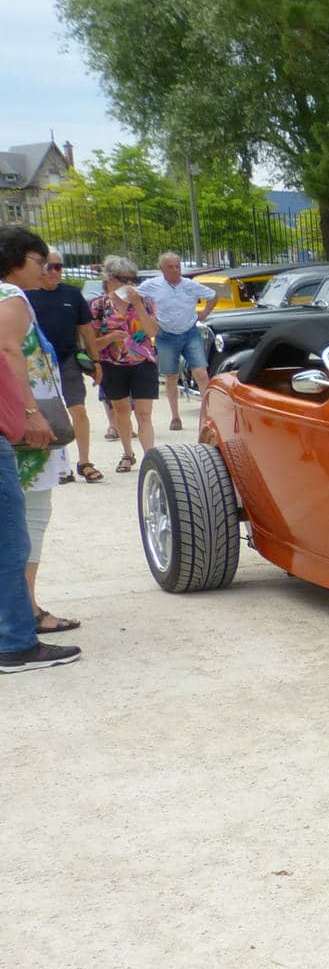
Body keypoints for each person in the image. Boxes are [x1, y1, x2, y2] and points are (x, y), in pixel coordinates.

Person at [0, 224, 81, 672]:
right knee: (27, 518)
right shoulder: (12, 297)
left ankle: (22, 611)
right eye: (39, 260)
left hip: (17, 419)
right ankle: (24, 616)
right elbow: (9, 351)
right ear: (14, 259)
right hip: (24, 426)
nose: (47, 269)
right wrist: (31, 413)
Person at [26, 249, 103, 482]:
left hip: (68, 360)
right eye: (49, 266)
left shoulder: (72, 294)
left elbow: (86, 330)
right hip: (38, 363)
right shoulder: (26, 295)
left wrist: (96, 361)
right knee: (46, 413)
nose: (54, 272)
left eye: (58, 267)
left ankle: (84, 462)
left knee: (78, 410)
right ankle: (58, 466)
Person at [91, 255, 160, 472]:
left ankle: (150, 457)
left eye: (133, 279)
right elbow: (92, 342)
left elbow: (152, 332)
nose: (130, 284)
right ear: (111, 279)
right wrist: (110, 338)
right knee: (121, 411)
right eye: (124, 279)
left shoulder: (145, 301)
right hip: (113, 363)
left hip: (143, 361)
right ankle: (128, 453)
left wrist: (137, 304)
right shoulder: (99, 305)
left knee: (144, 413)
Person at [138, 251, 218, 431]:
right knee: (171, 376)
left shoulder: (190, 285)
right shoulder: (152, 285)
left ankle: (208, 414)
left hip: (190, 332)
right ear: (162, 269)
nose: (175, 270)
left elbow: (213, 295)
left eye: (177, 266)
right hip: (165, 334)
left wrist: (205, 313)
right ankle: (175, 416)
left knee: (201, 372)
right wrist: (146, 313)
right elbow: (134, 296)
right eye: (170, 267)